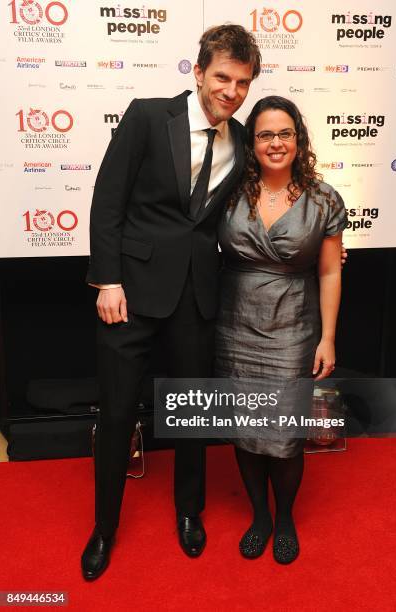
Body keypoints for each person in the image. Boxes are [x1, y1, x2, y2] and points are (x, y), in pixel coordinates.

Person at [81, 24, 262, 580]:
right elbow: (107, 200)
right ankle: (104, 527)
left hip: (196, 294)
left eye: (243, 83)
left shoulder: (243, 139)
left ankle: (190, 512)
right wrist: (107, 281)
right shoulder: (145, 116)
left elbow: (274, 192)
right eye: (223, 78)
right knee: (116, 413)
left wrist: (324, 245)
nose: (231, 91)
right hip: (130, 291)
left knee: (190, 414)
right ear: (199, 71)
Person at [215, 96, 347, 563]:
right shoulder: (227, 192)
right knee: (246, 430)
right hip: (235, 325)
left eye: (284, 133)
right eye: (265, 134)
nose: (276, 143)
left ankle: (285, 515)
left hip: (294, 324)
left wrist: (327, 337)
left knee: (285, 436)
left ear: (299, 139)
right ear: (251, 143)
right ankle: (260, 515)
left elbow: (330, 272)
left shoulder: (324, 197)